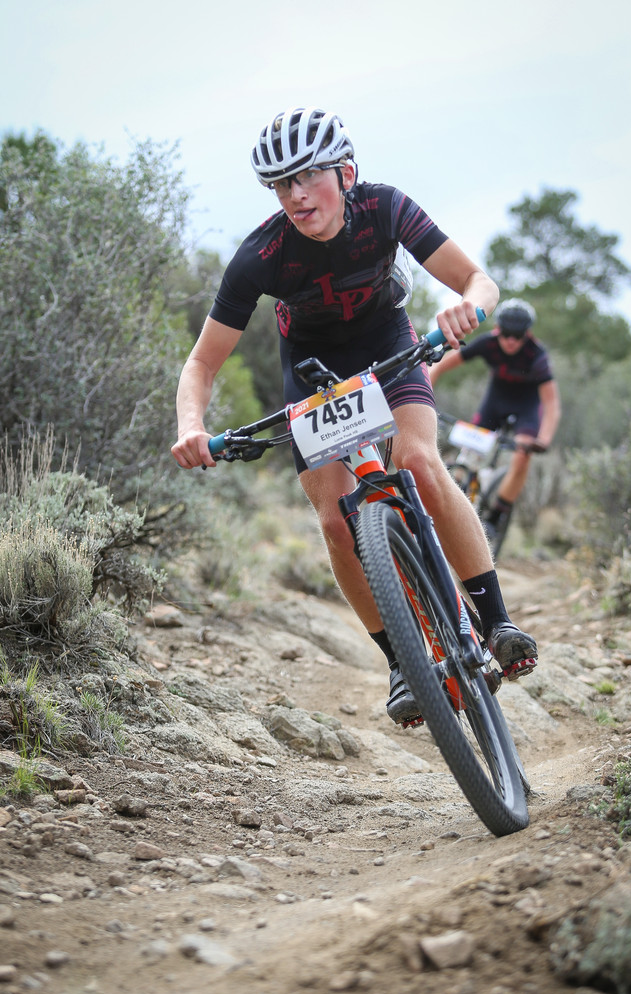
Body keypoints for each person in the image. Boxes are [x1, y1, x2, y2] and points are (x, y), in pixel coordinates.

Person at [171, 107, 538, 725]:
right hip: (311, 368)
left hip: (386, 343)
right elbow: (202, 364)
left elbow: (479, 281)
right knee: (336, 521)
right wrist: (190, 427)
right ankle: (401, 663)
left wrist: (467, 308)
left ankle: (497, 621)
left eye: (307, 176)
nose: (295, 195)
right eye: (280, 184)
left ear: (344, 173)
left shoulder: (384, 207)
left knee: (418, 462)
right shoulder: (261, 254)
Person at [429, 298, 561, 542]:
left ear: (527, 334)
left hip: (526, 407)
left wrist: (543, 439)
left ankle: (497, 515)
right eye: (506, 334)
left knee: (522, 456)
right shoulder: (488, 343)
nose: (511, 341)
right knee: (468, 455)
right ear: (498, 329)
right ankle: (457, 498)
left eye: (518, 336)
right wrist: (423, 395)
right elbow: (440, 366)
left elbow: (551, 403)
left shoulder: (536, 355)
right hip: (495, 402)